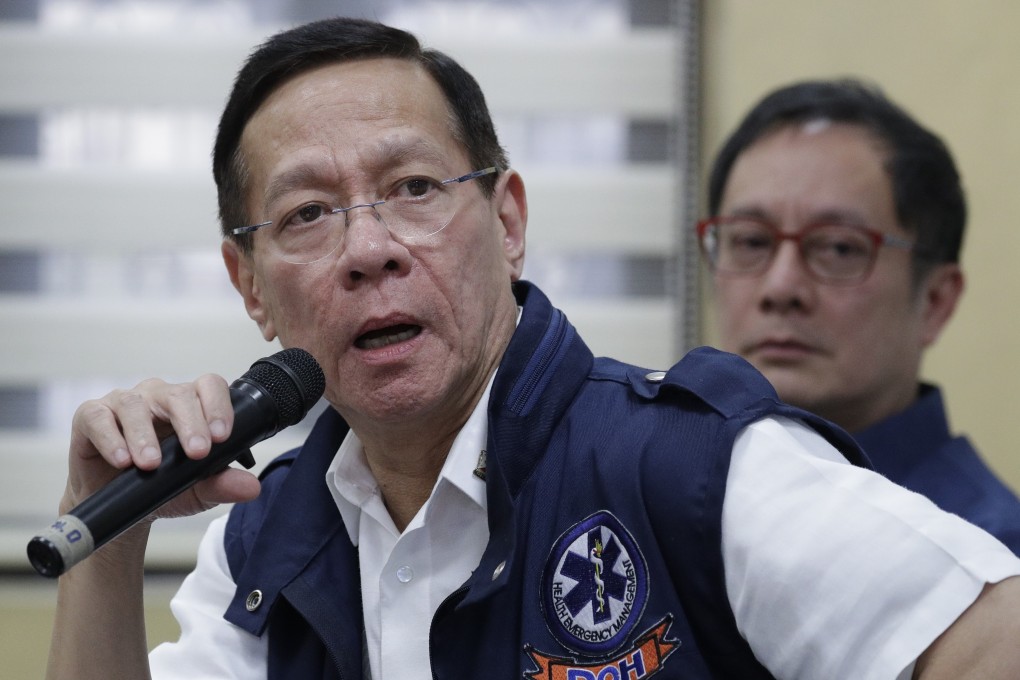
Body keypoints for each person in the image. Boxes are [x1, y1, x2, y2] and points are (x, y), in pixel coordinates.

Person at [45, 19, 1020, 680]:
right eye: (307, 213)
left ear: (507, 220)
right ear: (249, 285)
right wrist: (108, 538)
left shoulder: (696, 470)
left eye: (416, 188)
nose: (370, 248)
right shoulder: (263, 538)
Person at [698, 78, 1020, 554]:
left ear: (935, 301)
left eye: (838, 248)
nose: (781, 287)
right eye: (751, 241)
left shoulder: (987, 563)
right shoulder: (675, 504)